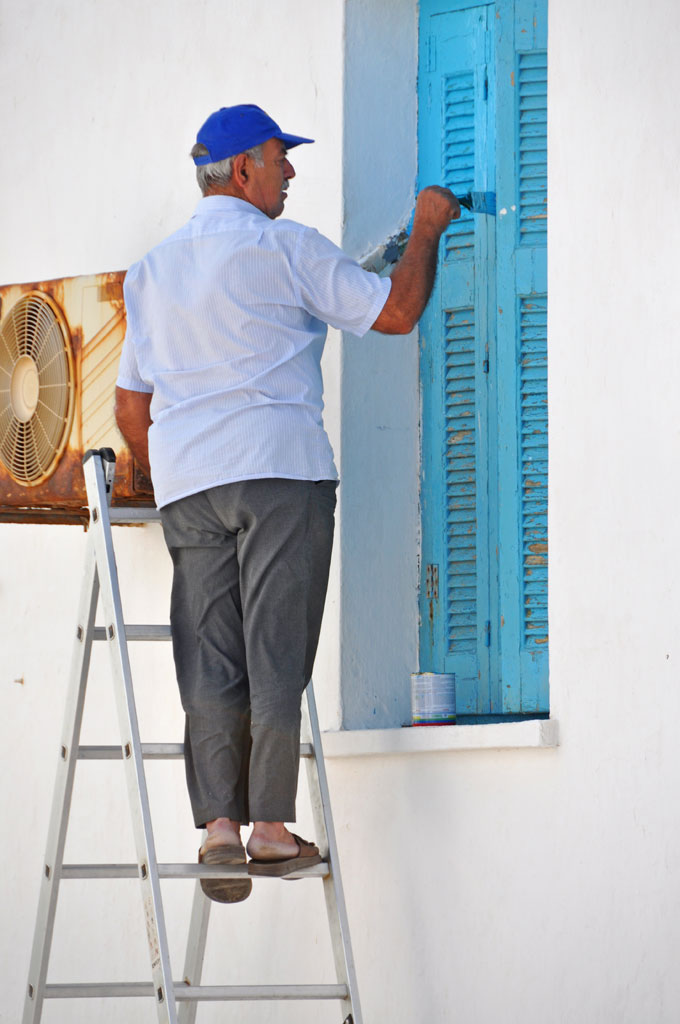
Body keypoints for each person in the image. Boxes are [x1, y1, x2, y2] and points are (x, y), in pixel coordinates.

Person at [115, 103, 460, 903]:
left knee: (209, 657)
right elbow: (396, 312)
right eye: (280, 157)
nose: (291, 171)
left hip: (190, 488)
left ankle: (219, 830)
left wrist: (178, 470)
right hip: (278, 473)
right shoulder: (286, 247)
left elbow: (132, 410)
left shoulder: (150, 273)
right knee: (276, 652)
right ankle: (269, 826)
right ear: (243, 170)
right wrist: (427, 226)